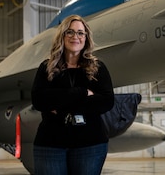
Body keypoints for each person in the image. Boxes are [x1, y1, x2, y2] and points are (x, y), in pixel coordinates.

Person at [31, 14, 114, 175]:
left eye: (80, 33)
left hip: (90, 145)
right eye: (70, 32)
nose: (75, 36)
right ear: (62, 36)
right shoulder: (46, 67)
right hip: (50, 144)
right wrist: (82, 92)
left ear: (86, 38)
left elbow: (106, 101)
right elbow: (39, 100)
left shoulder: (98, 68)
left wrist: (59, 105)